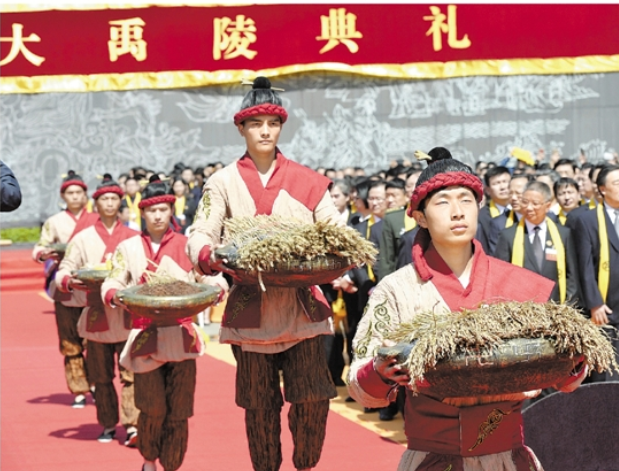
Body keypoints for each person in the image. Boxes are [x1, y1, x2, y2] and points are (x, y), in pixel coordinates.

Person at [348, 147, 587, 471]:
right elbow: (361, 387)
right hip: (433, 458)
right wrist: (381, 372)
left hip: (508, 458)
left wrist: (572, 362)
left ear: (480, 206)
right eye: (443, 202)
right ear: (418, 216)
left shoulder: (517, 284)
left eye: (466, 200)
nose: (457, 211)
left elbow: (565, 380)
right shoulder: (396, 290)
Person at [187, 76, 340, 471]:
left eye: (273, 123)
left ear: (281, 126)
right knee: (259, 407)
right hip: (250, 312)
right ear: (241, 128)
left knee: (313, 398)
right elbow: (203, 230)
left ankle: (305, 465)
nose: (265, 131)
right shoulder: (221, 182)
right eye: (256, 124)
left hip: (303, 309)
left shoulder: (308, 180)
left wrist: (342, 252)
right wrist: (206, 253)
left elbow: (335, 230)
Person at [101, 178, 207, 471]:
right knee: (151, 406)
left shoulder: (187, 246)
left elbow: (207, 279)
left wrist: (216, 286)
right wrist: (113, 294)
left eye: (163, 210)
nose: (158, 216)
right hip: (145, 336)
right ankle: (149, 459)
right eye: (152, 211)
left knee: (180, 409)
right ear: (142, 213)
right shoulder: (128, 247)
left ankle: (172, 463)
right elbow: (114, 279)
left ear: (171, 211)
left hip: (182, 336)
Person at [55, 180, 139, 445]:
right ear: (96, 203)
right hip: (96, 316)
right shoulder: (82, 238)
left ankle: (133, 424)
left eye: (115, 199)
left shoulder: (134, 238)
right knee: (101, 377)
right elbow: (65, 269)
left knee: (131, 374)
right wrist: (69, 281)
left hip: (127, 317)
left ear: (120, 202)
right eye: (105, 199)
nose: (110, 204)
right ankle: (107, 423)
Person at [32, 171, 99, 407]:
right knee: (70, 341)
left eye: (78, 192)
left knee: (94, 340)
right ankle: (78, 388)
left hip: (92, 288)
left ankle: (96, 384)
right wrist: (43, 253)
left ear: (85, 195)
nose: (74, 196)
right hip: (65, 286)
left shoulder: (97, 220)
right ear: (63, 196)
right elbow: (41, 247)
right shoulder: (54, 222)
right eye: (70, 193)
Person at [494, 181, 581, 306]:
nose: (529, 208)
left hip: (556, 308)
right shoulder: (508, 235)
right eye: (525, 202)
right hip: (522, 309)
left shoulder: (563, 234)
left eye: (535, 204)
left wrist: (567, 308)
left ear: (547, 206)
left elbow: (572, 276)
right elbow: (501, 276)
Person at [571, 164, 619, 383]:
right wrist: (595, 303)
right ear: (602, 189)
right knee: (607, 375)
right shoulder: (587, 220)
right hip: (605, 308)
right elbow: (585, 266)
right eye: (616, 183)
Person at [379, 169, 422, 280]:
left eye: (418, 184)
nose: (413, 188)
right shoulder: (393, 218)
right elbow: (387, 260)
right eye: (409, 186)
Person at [475, 166, 513, 255]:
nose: (503, 187)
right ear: (487, 190)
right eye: (496, 183)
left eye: (505, 182)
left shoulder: (521, 210)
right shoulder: (482, 216)